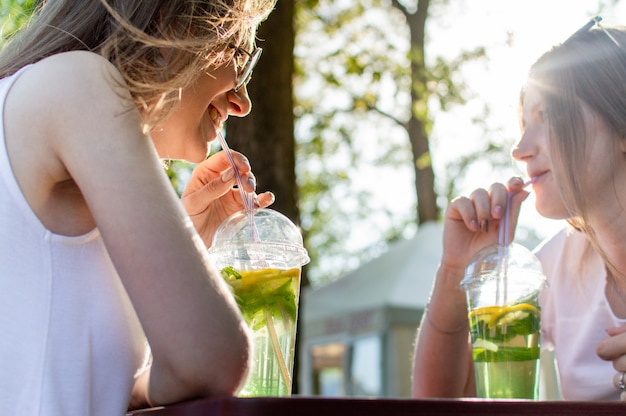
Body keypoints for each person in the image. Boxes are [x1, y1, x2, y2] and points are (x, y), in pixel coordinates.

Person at [0, 0, 277, 414]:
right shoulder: (76, 82)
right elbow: (210, 358)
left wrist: (189, 239)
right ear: (173, 22)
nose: (243, 103)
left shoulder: (41, 108)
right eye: (242, 59)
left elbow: (88, 385)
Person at [412, 17, 626, 401]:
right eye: (525, 122)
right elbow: (440, 403)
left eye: (549, 117)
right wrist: (456, 269)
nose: (519, 149)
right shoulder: (553, 268)